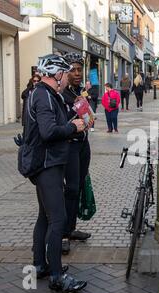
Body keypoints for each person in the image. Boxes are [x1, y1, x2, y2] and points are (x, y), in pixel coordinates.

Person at [24, 54, 87, 293]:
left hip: (45, 163)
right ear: (57, 74)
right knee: (58, 219)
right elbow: (48, 132)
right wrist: (74, 127)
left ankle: (41, 265)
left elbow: (48, 126)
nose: (66, 78)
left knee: (44, 217)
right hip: (47, 165)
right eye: (64, 73)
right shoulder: (44, 95)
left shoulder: (45, 94)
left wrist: (73, 123)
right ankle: (57, 277)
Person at [60, 52, 93, 255]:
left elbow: (87, 117)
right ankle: (63, 234)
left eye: (80, 70)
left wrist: (88, 111)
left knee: (79, 186)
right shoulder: (61, 94)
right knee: (70, 189)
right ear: (65, 72)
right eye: (73, 70)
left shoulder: (77, 92)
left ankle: (71, 229)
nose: (78, 73)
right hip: (69, 146)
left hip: (83, 144)